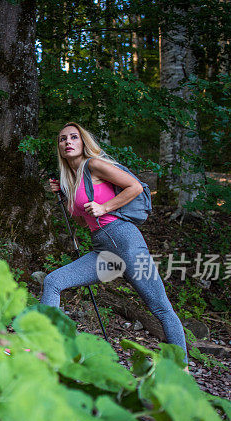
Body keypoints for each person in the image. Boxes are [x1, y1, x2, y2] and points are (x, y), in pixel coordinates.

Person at [42, 122, 188, 362]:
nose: (68, 142)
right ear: (59, 147)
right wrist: (63, 195)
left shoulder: (95, 165)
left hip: (125, 241)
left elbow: (136, 186)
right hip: (103, 250)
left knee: (160, 307)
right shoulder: (73, 179)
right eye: (62, 139)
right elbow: (82, 222)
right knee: (53, 282)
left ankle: (181, 368)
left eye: (74, 137)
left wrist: (105, 207)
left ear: (83, 142)